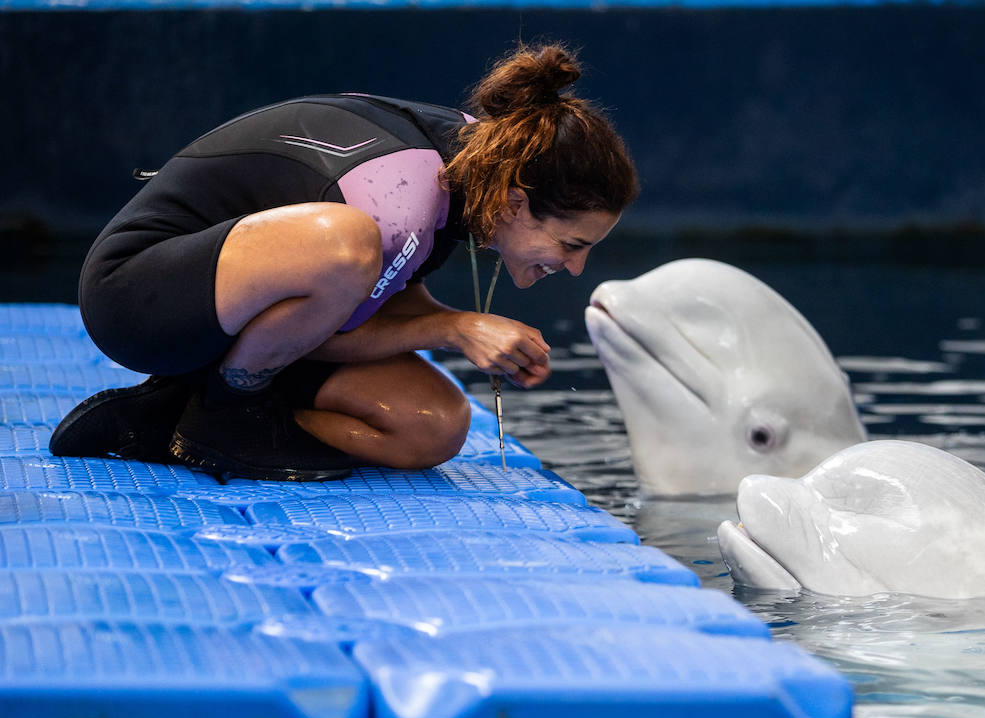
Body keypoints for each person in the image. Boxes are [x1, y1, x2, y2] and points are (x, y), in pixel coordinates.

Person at [50, 43, 638, 482]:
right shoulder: (405, 197)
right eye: (571, 244)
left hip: (241, 310)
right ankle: (227, 415)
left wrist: (457, 328)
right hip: (138, 293)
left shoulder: (475, 163)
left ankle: (174, 414)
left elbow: (372, 302)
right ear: (516, 201)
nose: (579, 268)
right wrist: (457, 328)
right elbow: (328, 330)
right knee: (345, 244)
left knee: (432, 424)